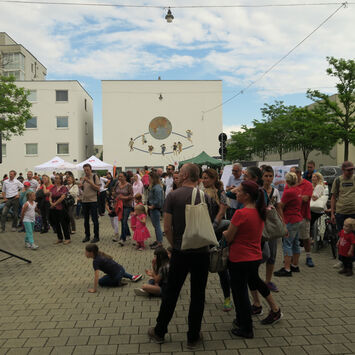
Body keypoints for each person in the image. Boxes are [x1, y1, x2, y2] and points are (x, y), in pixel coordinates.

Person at [148, 164, 211, 350]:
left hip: (181, 252)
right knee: (198, 294)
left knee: (172, 292)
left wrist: (175, 245)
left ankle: (160, 331)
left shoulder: (173, 196)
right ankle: (193, 336)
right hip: (201, 251)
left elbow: (166, 227)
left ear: (184, 175)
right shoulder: (205, 196)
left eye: (179, 172)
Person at [223, 180, 282, 339]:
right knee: (247, 286)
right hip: (255, 256)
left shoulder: (240, 214)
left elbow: (229, 237)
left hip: (239, 258)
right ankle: (243, 319)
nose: (236, 193)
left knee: (239, 292)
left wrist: (223, 233)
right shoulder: (260, 211)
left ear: (247, 195)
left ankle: (246, 327)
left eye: (240, 191)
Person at [202, 168, 232, 312]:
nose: (204, 180)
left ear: (214, 179)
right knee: (202, 266)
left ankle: (227, 297)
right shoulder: (200, 193)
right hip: (203, 233)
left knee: (221, 267)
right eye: (203, 178)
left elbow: (223, 208)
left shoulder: (221, 193)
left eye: (207, 178)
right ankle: (200, 296)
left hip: (217, 232)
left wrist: (215, 223)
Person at [274, 172, 302, 277]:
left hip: (290, 219)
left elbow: (281, 205)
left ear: (287, 181)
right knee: (295, 243)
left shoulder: (289, 192)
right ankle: (295, 265)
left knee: (287, 244)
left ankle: (287, 269)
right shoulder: (298, 190)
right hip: (297, 218)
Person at [291, 166, 315, 267]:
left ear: (299, 174)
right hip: (292, 215)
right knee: (292, 238)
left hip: (303, 215)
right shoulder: (290, 184)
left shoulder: (308, 184)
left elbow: (305, 199)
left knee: (305, 238)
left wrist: (293, 196)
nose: (290, 176)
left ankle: (308, 257)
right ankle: (291, 257)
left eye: (292, 174)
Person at [331, 161, 355, 231]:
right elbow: (333, 197)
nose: (351, 172)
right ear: (343, 170)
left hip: (353, 212)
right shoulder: (338, 180)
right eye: (348, 170)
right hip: (341, 213)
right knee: (342, 235)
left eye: (352, 169)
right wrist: (332, 213)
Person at [80, 164, 100, 243]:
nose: (86, 171)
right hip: (85, 201)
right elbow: (84, 189)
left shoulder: (95, 177)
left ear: (91, 169)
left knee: (94, 219)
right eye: (84, 170)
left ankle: (96, 236)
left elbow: (98, 188)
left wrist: (90, 182)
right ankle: (87, 236)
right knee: (86, 220)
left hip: (93, 201)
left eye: (87, 170)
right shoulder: (84, 179)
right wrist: (81, 186)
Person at [49, 174, 71, 244]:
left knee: (63, 223)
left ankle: (67, 238)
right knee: (56, 223)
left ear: (61, 180)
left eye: (58, 178)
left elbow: (62, 197)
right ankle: (60, 238)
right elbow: (50, 196)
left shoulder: (64, 188)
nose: (56, 180)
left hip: (61, 207)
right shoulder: (53, 188)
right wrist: (51, 203)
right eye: (55, 178)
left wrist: (54, 204)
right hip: (54, 208)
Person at [114, 172, 134, 246]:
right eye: (119, 176)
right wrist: (116, 197)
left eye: (121, 176)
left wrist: (123, 197)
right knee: (123, 220)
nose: (120, 178)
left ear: (125, 177)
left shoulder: (129, 185)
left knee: (124, 220)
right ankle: (128, 233)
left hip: (127, 205)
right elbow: (114, 192)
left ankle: (123, 238)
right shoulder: (117, 184)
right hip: (119, 205)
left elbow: (132, 196)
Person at [147, 172, 164, 250]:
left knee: (157, 226)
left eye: (149, 177)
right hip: (153, 209)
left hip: (155, 209)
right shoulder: (155, 186)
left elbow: (158, 200)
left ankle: (160, 242)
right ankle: (158, 240)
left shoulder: (156, 188)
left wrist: (152, 206)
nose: (148, 179)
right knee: (156, 226)